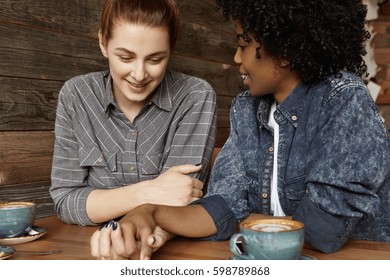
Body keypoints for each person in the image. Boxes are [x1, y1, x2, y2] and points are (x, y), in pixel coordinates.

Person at [90, 0, 390, 259]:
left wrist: (246, 219)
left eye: (243, 44)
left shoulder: (343, 100)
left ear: (284, 53)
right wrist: (151, 212)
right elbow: (222, 207)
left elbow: (324, 231)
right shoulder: (247, 108)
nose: (236, 58)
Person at [50, 0, 217, 227]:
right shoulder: (76, 95)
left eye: (155, 59)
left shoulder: (195, 96)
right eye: (125, 58)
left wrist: (101, 202)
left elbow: (180, 198)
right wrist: (148, 192)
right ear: (103, 42)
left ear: (171, 49)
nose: (139, 75)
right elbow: (65, 200)